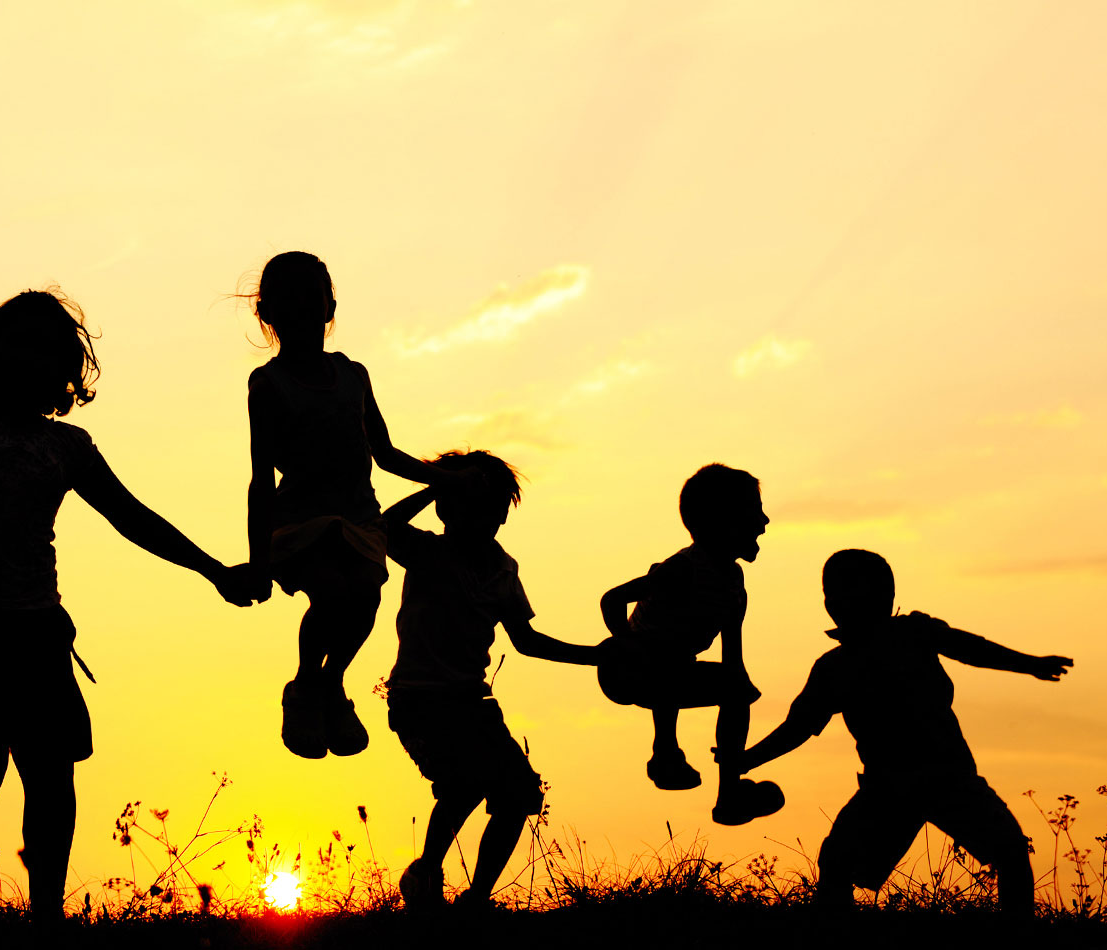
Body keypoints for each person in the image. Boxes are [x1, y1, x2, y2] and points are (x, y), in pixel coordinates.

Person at [0, 193, 257, 928]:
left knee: (52, 772)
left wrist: (214, 569)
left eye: (48, 348)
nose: (32, 357)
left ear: (67, 369)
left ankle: (46, 920)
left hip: (32, 628)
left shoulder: (67, 448)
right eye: (18, 342)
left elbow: (134, 518)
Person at [730, 548, 1070, 915]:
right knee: (837, 861)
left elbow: (970, 648)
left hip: (947, 777)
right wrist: (748, 758)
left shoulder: (914, 633)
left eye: (857, 590)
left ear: (885, 596)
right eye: (835, 591)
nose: (842, 600)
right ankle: (830, 940)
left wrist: (1029, 664)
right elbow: (797, 728)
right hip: (888, 787)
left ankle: (1019, 937)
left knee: (1009, 850)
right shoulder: (834, 668)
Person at [242, 251, 464, 759]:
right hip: (300, 520)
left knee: (364, 598)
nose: (300, 308)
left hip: (359, 517)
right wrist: (258, 561)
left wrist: (444, 477)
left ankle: (330, 685)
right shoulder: (268, 384)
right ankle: (304, 687)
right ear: (266, 313)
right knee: (334, 593)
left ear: (330, 305)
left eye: (310, 297)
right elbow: (259, 477)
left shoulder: (353, 375)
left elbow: (384, 453)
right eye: (287, 299)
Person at [381, 451, 605, 911]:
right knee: (462, 784)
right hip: (419, 701)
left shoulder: (504, 568)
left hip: (470, 701)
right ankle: (427, 873)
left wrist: (595, 656)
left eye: (496, 508)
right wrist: (437, 483)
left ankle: (477, 897)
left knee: (520, 793)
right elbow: (383, 527)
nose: (489, 518)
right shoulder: (428, 552)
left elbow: (527, 640)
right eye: (475, 505)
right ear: (448, 509)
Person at [596, 463, 781, 825]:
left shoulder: (733, 582)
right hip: (628, 671)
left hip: (672, 670)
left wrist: (738, 697)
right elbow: (613, 600)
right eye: (754, 512)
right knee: (671, 659)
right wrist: (626, 644)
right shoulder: (682, 569)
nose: (765, 521)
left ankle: (729, 792)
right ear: (724, 521)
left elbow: (734, 659)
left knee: (735, 687)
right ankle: (665, 750)